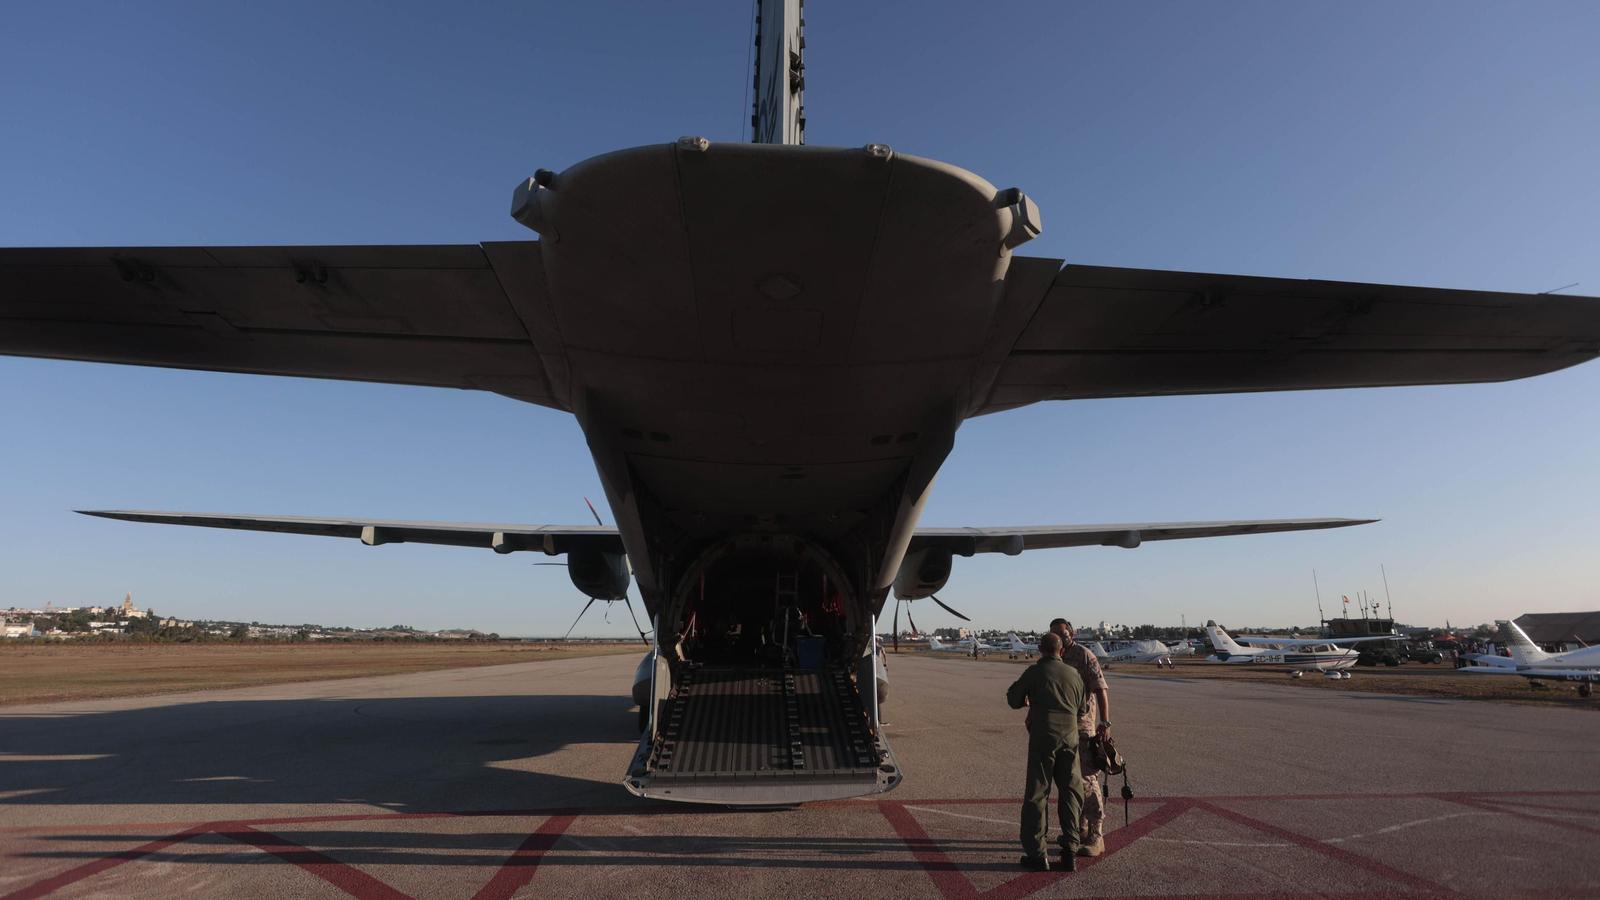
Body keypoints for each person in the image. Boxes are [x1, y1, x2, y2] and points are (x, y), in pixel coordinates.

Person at [1006, 632, 1086, 871]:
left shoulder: (1034, 672)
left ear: (1041, 649)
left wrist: (1030, 699)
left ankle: (1038, 854)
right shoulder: (1074, 674)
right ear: (1062, 651)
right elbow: (1082, 709)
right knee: (1071, 792)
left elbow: (1013, 699)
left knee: (1038, 793)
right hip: (1070, 738)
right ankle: (1071, 850)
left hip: (1043, 738)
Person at [1048, 618, 1111, 857]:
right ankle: (1081, 829)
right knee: (1069, 782)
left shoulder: (1084, 655)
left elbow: (1101, 689)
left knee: (1087, 780)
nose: (1060, 637)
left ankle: (1097, 835)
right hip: (1060, 729)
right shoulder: (1053, 656)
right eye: (1055, 633)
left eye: (1063, 633)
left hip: (1083, 728)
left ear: (1071, 634)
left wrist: (1104, 724)